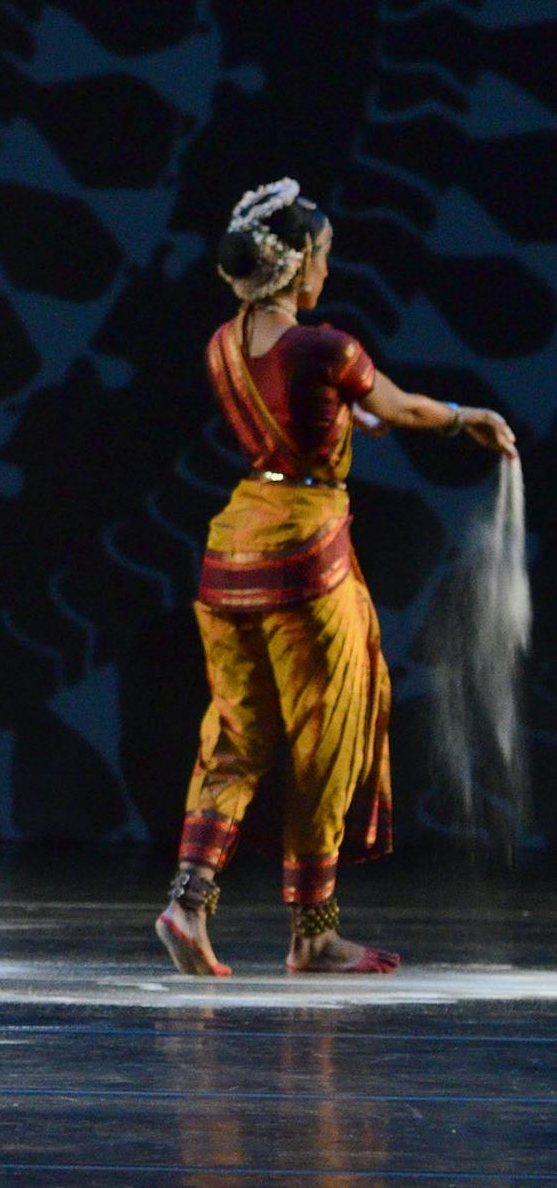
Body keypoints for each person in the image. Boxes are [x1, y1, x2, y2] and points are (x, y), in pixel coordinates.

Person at [156, 178, 517, 977]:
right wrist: (467, 418)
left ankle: (188, 901)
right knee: (329, 734)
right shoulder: (326, 346)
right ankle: (313, 932)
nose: (325, 271)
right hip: (303, 560)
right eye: (321, 256)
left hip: (233, 547)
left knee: (239, 735)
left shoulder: (225, 342)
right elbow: (405, 408)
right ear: (295, 268)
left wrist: (347, 418)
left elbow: (296, 416)